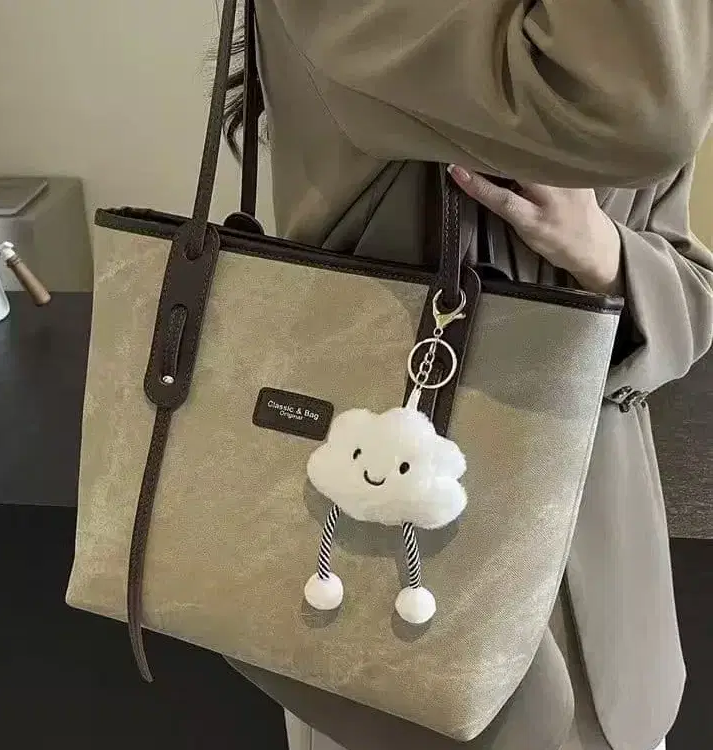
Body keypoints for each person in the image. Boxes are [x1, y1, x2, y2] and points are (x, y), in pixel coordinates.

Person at [218, 2, 713, 749]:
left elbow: (691, 291)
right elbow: (636, 108)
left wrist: (604, 254)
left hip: (604, 581)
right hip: (397, 576)